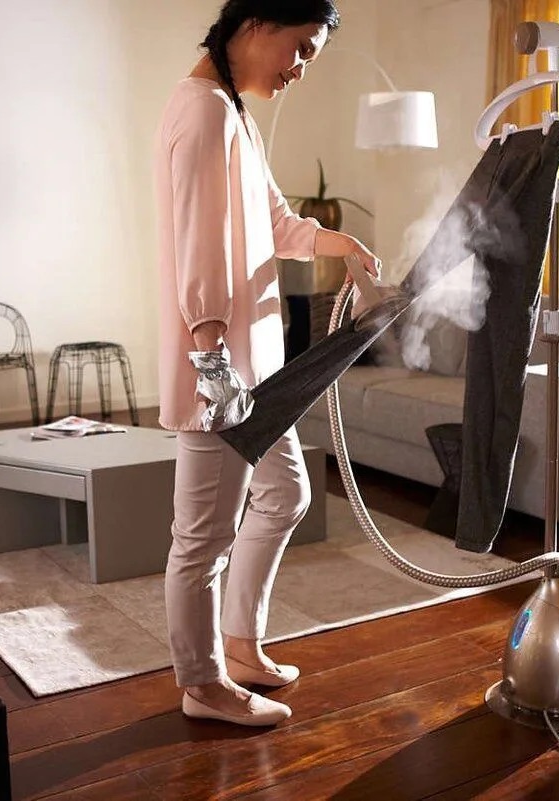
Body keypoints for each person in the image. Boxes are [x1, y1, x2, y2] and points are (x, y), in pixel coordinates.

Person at [153, 0, 381, 727]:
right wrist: (211, 360)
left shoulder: (232, 113)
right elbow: (196, 242)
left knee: (285, 495)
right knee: (202, 540)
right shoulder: (204, 112)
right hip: (223, 368)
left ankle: (240, 645)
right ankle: (203, 683)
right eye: (302, 47)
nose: (302, 67)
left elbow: (275, 222)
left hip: (257, 370)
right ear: (256, 23)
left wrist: (341, 244)